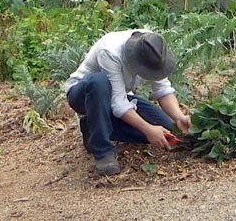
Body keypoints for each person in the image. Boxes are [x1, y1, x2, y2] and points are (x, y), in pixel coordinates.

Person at [64, 29, 191, 176]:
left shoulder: (154, 48)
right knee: (99, 81)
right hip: (84, 94)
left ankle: (92, 126)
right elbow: (119, 104)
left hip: (120, 96)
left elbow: (163, 91)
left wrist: (179, 118)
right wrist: (148, 128)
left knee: (167, 130)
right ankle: (103, 152)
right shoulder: (110, 51)